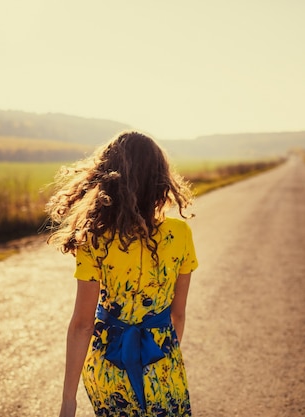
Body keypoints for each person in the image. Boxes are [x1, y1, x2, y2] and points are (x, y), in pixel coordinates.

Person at [46, 130, 198, 416]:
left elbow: (82, 324)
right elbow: (178, 314)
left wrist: (68, 400)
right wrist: (161, 357)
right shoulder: (180, 234)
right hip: (162, 363)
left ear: (106, 178)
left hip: (109, 367)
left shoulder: (95, 238)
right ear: (160, 180)